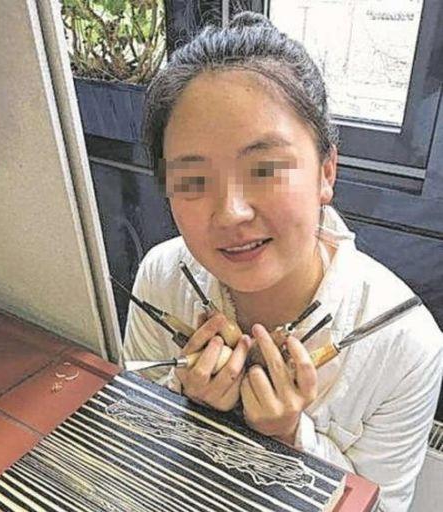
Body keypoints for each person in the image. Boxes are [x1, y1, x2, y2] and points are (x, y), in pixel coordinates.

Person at [122, 11, 443, 511]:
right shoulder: (164, 276)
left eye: (265, 169)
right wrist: (184, 399)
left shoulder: (403, 343)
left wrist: (290, 438)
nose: (231, 212)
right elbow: (130, 443)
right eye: (192, 179)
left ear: (326, 171)